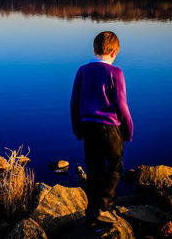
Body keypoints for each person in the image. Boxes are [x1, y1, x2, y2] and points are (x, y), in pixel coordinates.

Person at [70, 31, 133, 225]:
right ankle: (103, 208)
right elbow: (121, 105)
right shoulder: (116, 73)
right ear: (114, 52)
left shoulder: (82, 70)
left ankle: (91, 210)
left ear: (95, 49)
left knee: (94, 168)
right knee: (115, 167)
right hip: (110, 129)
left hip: (88, 126)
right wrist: (129, 130)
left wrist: (77, 128)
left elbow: (74, 102)